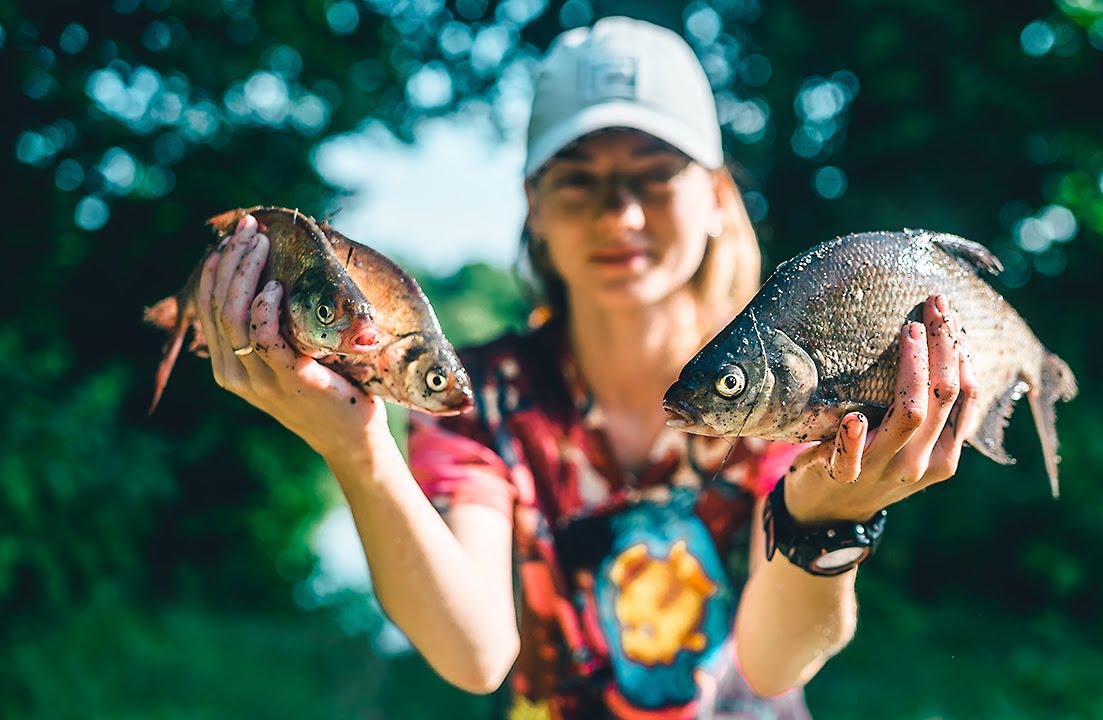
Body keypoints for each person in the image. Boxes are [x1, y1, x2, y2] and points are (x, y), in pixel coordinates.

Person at [197, 17, 980, 720]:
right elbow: (475, 654)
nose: (621, 213)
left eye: (654, 172)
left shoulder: (778, 385)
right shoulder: (486, 391)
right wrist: (358, 454)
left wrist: (826, 520)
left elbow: (772, 664)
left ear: (714, 197)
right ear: (534, 204)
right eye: (579, 179)